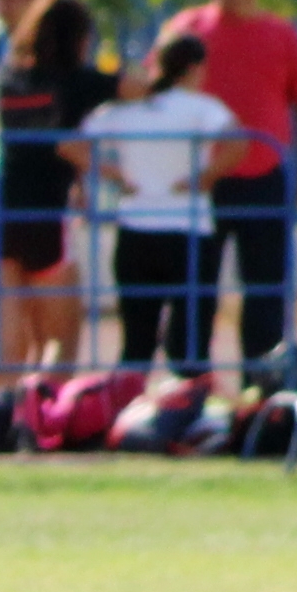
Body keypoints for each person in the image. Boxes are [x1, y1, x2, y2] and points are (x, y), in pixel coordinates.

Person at [158, 0, 297, 383]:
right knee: (194, 284)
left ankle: (262, 380)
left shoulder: (280, 34)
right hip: (201, 182)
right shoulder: (187, 29)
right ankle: (190, 379)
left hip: (264, 175)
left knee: (265, 287)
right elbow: (157, 90)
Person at [84, 33, 237, 379]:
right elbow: (238, 140)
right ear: (196, 68)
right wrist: (206, 176)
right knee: (191, 336)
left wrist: (112, 174)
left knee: (136, 338)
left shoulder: (126, 109)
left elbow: (73, 143)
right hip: (189, 228)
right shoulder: (200, 107)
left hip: (135, 226)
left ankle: (123, 406)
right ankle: (192, 408)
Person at [0, 0, 108, 377]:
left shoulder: (7, 76)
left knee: (8, 339)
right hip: (43, 213)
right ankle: (50, 417)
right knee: (61, 335)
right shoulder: (77, 81)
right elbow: (64, 142)